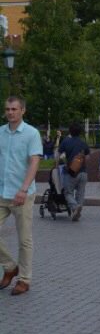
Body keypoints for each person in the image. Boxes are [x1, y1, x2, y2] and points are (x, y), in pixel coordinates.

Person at [0, 96, 42, 296]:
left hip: (22, 194)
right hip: (2, 192)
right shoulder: (0, 132)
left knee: (24, 239)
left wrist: (23, 190)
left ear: (23, 110)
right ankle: (10, 266)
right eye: (7, 109)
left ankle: (24, 279)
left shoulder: (31, 133)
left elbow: (35, 162)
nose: (10, 112)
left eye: (14, 109)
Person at [58, 122, 90, 221]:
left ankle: (75, 207)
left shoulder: (66, 141)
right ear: (80, 132)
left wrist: (57, 165)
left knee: (68, 193)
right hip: (83, 172)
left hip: (71, 172)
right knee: (80, 193)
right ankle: (77, 212)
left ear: (70, 131)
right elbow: (88, 157)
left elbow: (58, 155)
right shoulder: (83, 143)